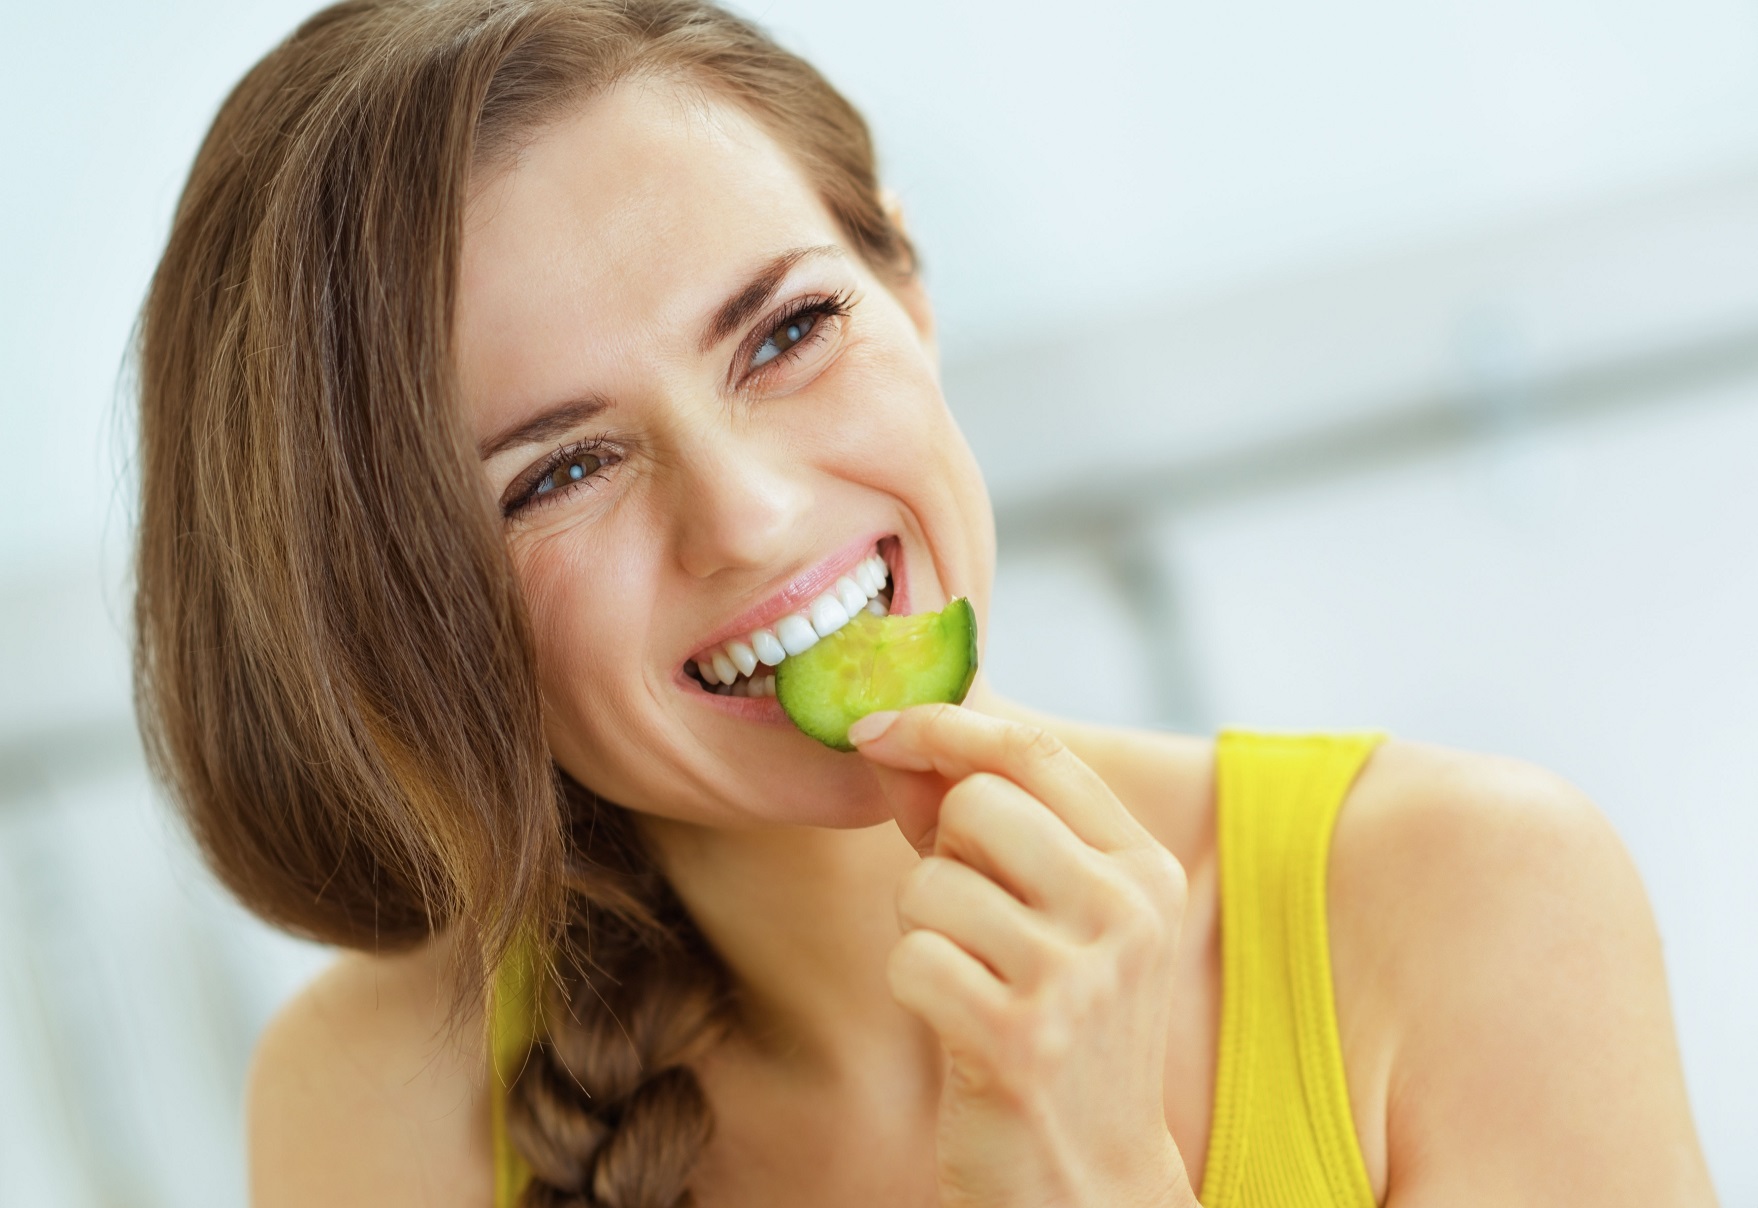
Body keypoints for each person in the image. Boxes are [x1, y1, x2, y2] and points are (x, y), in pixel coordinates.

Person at [132, 2, 1715, 1205]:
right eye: (555, 474)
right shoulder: (377, 1103)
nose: (749, 516)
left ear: (909, 290)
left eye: (787, 331)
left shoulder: (1462, 906)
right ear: (396, 617)